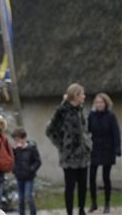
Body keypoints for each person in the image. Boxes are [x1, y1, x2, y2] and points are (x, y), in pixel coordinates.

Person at [46, 83, 92, 215]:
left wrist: (88, 142)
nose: (84, 96)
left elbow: (85, 130)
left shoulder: (80, 110)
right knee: (70, 186)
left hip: (83, 154)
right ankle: (70, 212)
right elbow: (50, 130)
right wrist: (62, 145)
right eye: (82, 94)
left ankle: (81, 210)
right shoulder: (62, 110)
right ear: (76, 95)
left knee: (83, 185)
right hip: (69, 156)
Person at [87, 93, 121, 213]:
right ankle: (93, 202)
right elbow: (87, 130)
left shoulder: (110, 116)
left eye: (101, 102)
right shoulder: (92, 115)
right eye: (97, 103)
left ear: (105, 103)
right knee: (91, 177)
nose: (99, 105)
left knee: (106, 177)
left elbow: (116, 133)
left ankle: (107, 203)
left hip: (107, 149)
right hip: (95, 149)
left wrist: (117, 148)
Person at [11, 127, 41, 215]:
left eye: (18, 140)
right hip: (19, 176)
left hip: (28, 176)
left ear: (24, 138)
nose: (17, 142)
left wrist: (30, 170)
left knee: (28, 196)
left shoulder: (31, 148)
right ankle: (21, 213)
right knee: (20, 198)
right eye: (15, 140)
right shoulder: (15, 149)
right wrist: (14, 150)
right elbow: (12, 160)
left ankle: (33, 212)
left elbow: (38, 161)